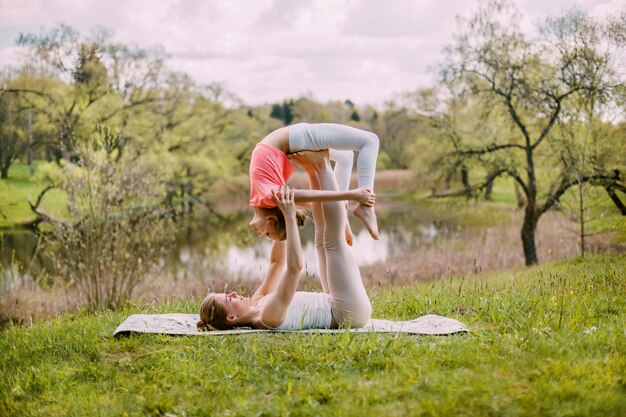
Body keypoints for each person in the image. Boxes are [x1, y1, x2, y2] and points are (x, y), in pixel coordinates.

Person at [198, 150, 372, 331]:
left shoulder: (257, 302)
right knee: (332, 243)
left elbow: (276, 263)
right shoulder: (267, 317)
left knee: (321, 239)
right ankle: (323, 166)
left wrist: (279, 218)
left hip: (333, 301)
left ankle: (313, 169)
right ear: (231, 317)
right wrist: (289, 219)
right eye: (228, 299)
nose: (233, 293)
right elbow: (294, 268)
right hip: (347, 313)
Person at [248, 123, 380, 243]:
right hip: (295, 139)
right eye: (267, 234)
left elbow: (314, 196)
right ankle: (349, 212)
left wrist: (351, 195)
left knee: (368, 142)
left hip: (295, 138)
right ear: (271, 219)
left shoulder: (267, 198)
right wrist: (345, 204)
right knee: (351, 154)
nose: (261, 234)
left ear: (271, 220)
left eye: (268, 235)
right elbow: (316, 199)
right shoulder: (268, 198)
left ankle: (366, 207)